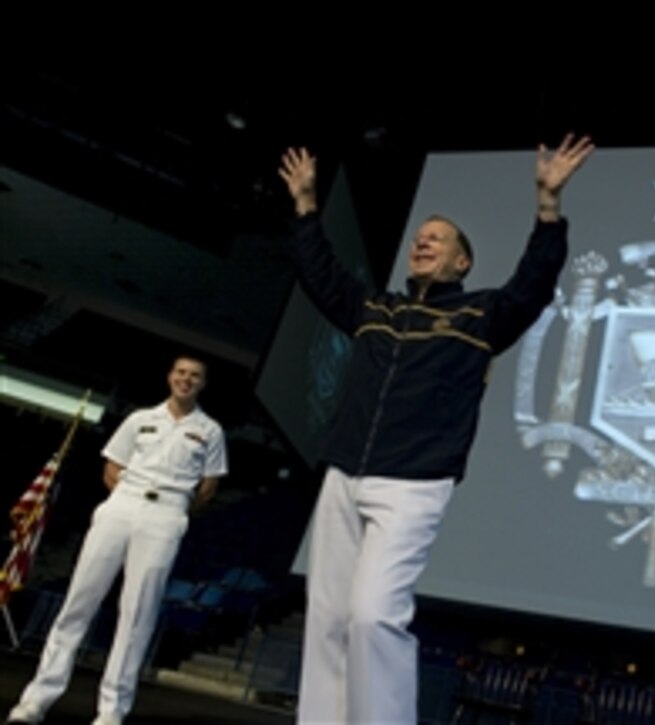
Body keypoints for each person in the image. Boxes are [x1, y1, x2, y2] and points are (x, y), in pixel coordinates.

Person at [278, 133, 594, 724]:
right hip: (345, 472)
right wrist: (304, 206)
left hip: (413, 483)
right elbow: (318, 272)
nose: (423, 242)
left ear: (461, 261)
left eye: (438, 238)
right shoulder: (377, 310)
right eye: (420, 237)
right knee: (327, 617)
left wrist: (548, 206)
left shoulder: (480, 315)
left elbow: (535, 282)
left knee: (373, 615)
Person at [7, 355, 228, 725]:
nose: (186, 379)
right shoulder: (140, 419)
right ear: (170, 376)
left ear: (203, 383)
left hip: (166, 513)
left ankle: (112, 712)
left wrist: (174, 510)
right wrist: (124, 498)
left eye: (195, 376)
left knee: (138, 613)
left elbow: (209, 485)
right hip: (123, 504)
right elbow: (112, 465)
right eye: (180, 372)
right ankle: (35, 700)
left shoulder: (211, 430)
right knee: (79, 601)